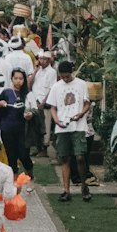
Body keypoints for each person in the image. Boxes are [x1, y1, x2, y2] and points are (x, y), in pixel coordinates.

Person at [49, 57, 92, 202]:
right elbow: (53, 107)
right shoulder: (56, 87)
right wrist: (56, 120)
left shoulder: (81, 84)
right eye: (63, 77)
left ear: (71, 73)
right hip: (62, 126)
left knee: (80, 156)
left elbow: (87, 103)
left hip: (78, 125)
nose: (65, 79)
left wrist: (81, 113)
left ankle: (83, 185)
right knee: (64, 157)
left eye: (67, 76)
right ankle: (66, 190)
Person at [0, 67, 34, 179]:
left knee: (24, 155)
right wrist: (0, 104)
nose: (18, 81)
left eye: (21, 78)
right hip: (7, 129)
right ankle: (14, 183)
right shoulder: (6, 92)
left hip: (22, 130)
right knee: (11, 157)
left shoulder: (28, 94)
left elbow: (34, 110)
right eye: (16, 78)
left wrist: (30, 115)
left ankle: (30, 176)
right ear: (11, 79)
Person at [30, 46, 57, 149]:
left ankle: (44, 148)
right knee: (35, 126)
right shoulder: (37, 70)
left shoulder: (52, 72)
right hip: (34, 101)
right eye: (40, 59)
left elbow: (51, 89)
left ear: (49, 60)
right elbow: (29, 84)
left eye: (44, 59)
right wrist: (35, 71)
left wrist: (43, 102)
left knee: (45, 126)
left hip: (44, 103)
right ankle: (37, 147)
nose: (41, 61)